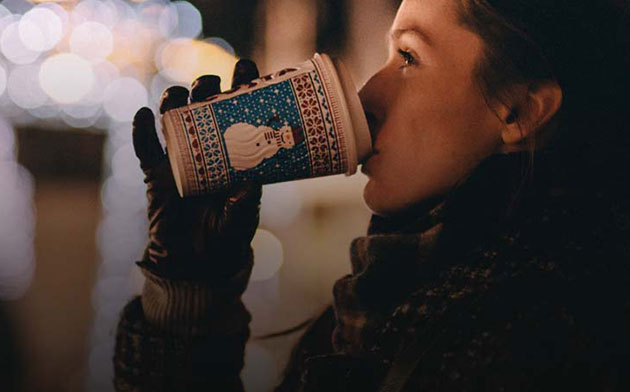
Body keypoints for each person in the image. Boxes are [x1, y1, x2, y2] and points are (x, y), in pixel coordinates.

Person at [114, 0, 630, 390]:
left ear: (518, 110)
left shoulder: (532, 338)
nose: (365, 96)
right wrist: (190, 296)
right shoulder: (390, 295)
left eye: (408, 56)